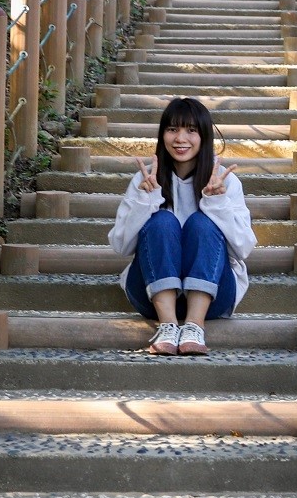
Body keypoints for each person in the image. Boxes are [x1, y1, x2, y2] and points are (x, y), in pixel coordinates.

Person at [108, 98, 256, 355]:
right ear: (162, 134)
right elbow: (121, 246)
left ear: (204, 135)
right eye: (172, 129)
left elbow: (243, 248)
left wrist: (216, 202)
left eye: (191, 130)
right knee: (163, 221)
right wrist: (146, 201)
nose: (180, 138)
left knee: (201, 223)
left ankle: (194, 326)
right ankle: (167, 326)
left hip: (214, 295)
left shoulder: (225, 182)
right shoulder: (146, 179)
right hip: (151, 293)